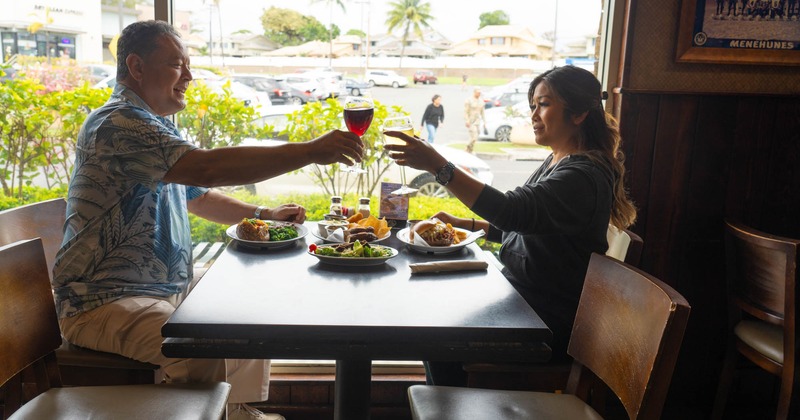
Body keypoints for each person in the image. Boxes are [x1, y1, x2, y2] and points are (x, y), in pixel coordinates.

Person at [51, 20, 363, 420]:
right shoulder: (119, 124)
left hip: (158, 290)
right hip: (101, 302)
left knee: (241, 309)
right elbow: (206, 170)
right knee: (198, 338)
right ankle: (213, 414)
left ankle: (232, 410)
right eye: (178, 65)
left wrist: (263, 215)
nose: (190, 77)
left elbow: (196, 195)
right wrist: (308, 151)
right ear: (136, 66)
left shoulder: (154, 122)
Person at [385, 65, 637, 386]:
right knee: (435, 315)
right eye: (533, 105)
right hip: (525, 304)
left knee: (437, 335)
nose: (533, 114)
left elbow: (511, 212)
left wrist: (438, 165)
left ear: (578, 114)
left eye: (543, 104)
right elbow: (530, 227)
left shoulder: (582, 176)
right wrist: (465, 224)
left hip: (548, 325)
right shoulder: (559, 159)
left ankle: (457, 406)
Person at [463, 87, 485, 154]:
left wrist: (484, 121)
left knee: (475, 137)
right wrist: (467, 120)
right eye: (478, 93)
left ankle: (470, 150)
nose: (479, 94)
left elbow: (483, 112)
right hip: (471, 121)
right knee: (474, 136)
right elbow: (465, 111)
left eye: (480, 93)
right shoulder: (469, 100)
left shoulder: (481, 101)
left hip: (477, 121)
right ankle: (467, 147)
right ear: (474, 92)